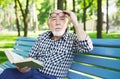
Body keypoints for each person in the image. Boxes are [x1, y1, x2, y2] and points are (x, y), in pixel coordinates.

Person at [0, 9, 93, 79]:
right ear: (49, 24)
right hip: (33, 72)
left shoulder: (72, 39)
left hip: (50, 77)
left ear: (67, 25)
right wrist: (25, 67)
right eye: (54, 19)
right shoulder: (43, 37)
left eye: (62, 19)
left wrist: (75, 22)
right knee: (7, 72)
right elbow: (31, 57)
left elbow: (87, 46)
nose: (57, 22)